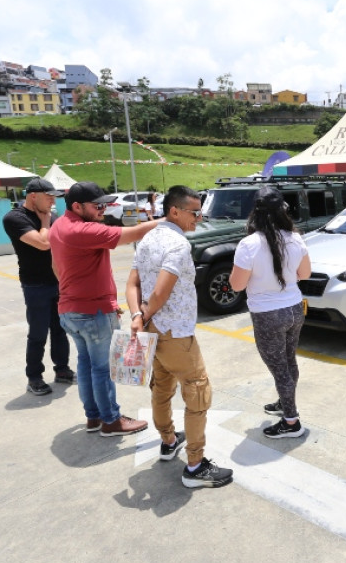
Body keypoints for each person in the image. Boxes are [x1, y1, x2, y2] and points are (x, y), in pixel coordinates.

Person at [126, 186, 233, 488]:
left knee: (161, 387)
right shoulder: (178, 244)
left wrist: (137, 317)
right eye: (194, 212)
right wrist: (145, 315)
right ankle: (196, 465)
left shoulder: (147, 239)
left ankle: (168, 440)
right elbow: (161, 292)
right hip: (174, 331)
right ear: (175, 211)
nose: (199, 218)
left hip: (152, 329)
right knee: (197, 390)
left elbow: (132, 284)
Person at [51, 181, 158, 437]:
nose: (103, 209)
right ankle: (110, 420)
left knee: (87, 365)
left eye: (105, 204)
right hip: (92, 312)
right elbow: (132, 233)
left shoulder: (58, 226)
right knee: (102, 368)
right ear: (77, 206)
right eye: (97, 205)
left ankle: (94, 417)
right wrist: (171, 221)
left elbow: (56, 268)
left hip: (71, 309)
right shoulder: (82, 230)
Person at [230, 186, 311, 439]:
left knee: (279, 368)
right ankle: (285, 402)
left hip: (268, 314)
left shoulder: (249, 244)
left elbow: (236, 285)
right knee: (288, 361)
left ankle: (291, 421)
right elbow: (305, 274)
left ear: (255, 212)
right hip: (294, 309)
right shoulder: (296, 237)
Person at [2, 178, 76, 396]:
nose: (53, 201)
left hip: (58, 282)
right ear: (33, 196)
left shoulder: (52, 216)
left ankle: (62, 370)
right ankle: (34, 377)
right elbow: (43, 243)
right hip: (35, 285)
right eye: (49, 196)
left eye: (54, 197)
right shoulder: (15, 218)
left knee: (61, 329)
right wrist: (45, 224)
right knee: (38, 333)